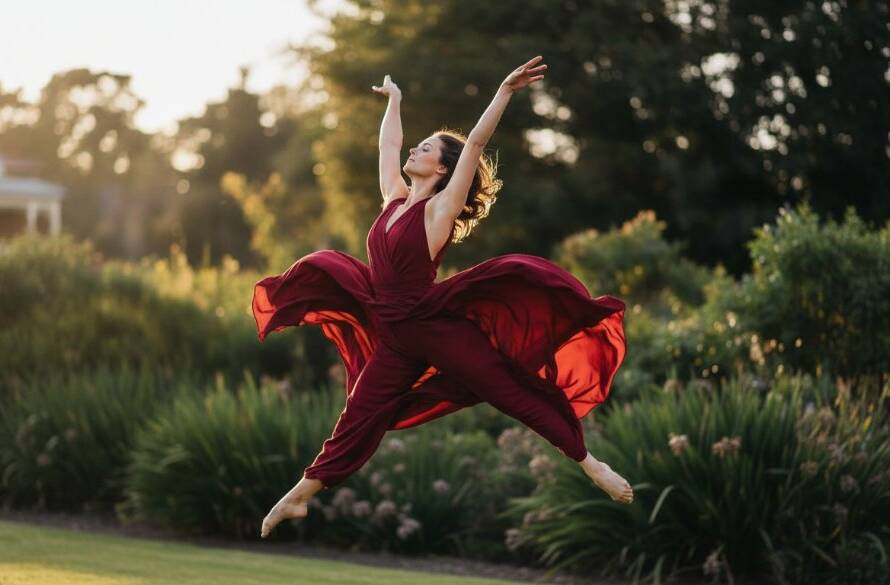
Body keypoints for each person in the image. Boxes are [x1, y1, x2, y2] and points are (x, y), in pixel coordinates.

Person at [256, 56, 632, 539]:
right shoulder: (394, 199)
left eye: (427, 147)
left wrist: (503, 91)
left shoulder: (438, 212)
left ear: (442, 167)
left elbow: (474, 143)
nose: (415, 149)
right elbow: (389, 143)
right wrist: (394, 102)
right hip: (393, 334)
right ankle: (299, 497)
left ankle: (591, 464)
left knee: (508, 389)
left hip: (434, 327)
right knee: (359, 413)